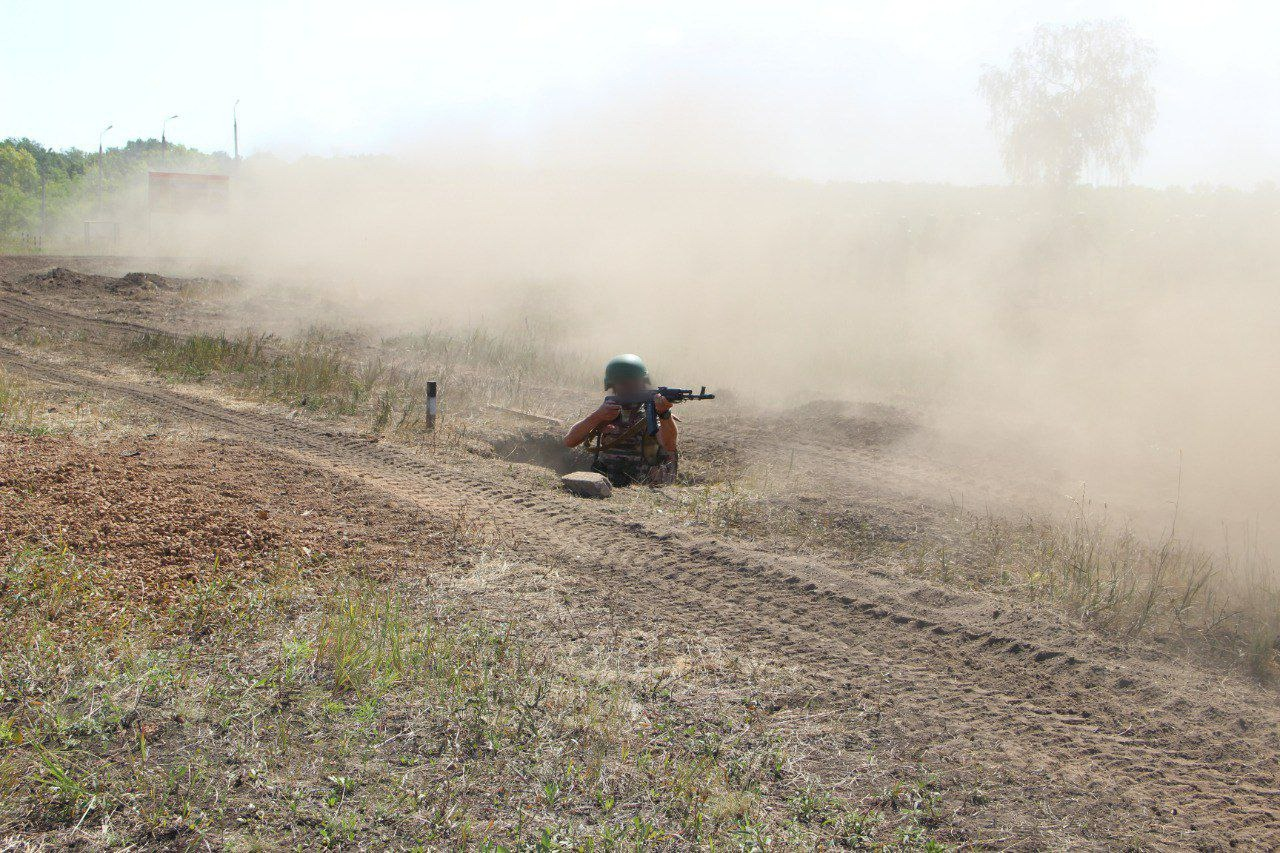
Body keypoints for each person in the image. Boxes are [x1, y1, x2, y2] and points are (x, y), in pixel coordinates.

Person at [563, 353, 677, 486]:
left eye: (633, 383)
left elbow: (669, 445)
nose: (629, 388)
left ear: (643, 383)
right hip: (608, 485)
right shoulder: (609, 410)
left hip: (644, 488)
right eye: (623, 384)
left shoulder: (652, 412)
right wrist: (597, 417)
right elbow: (569, 441)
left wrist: (664, 414)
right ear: (612, 385)